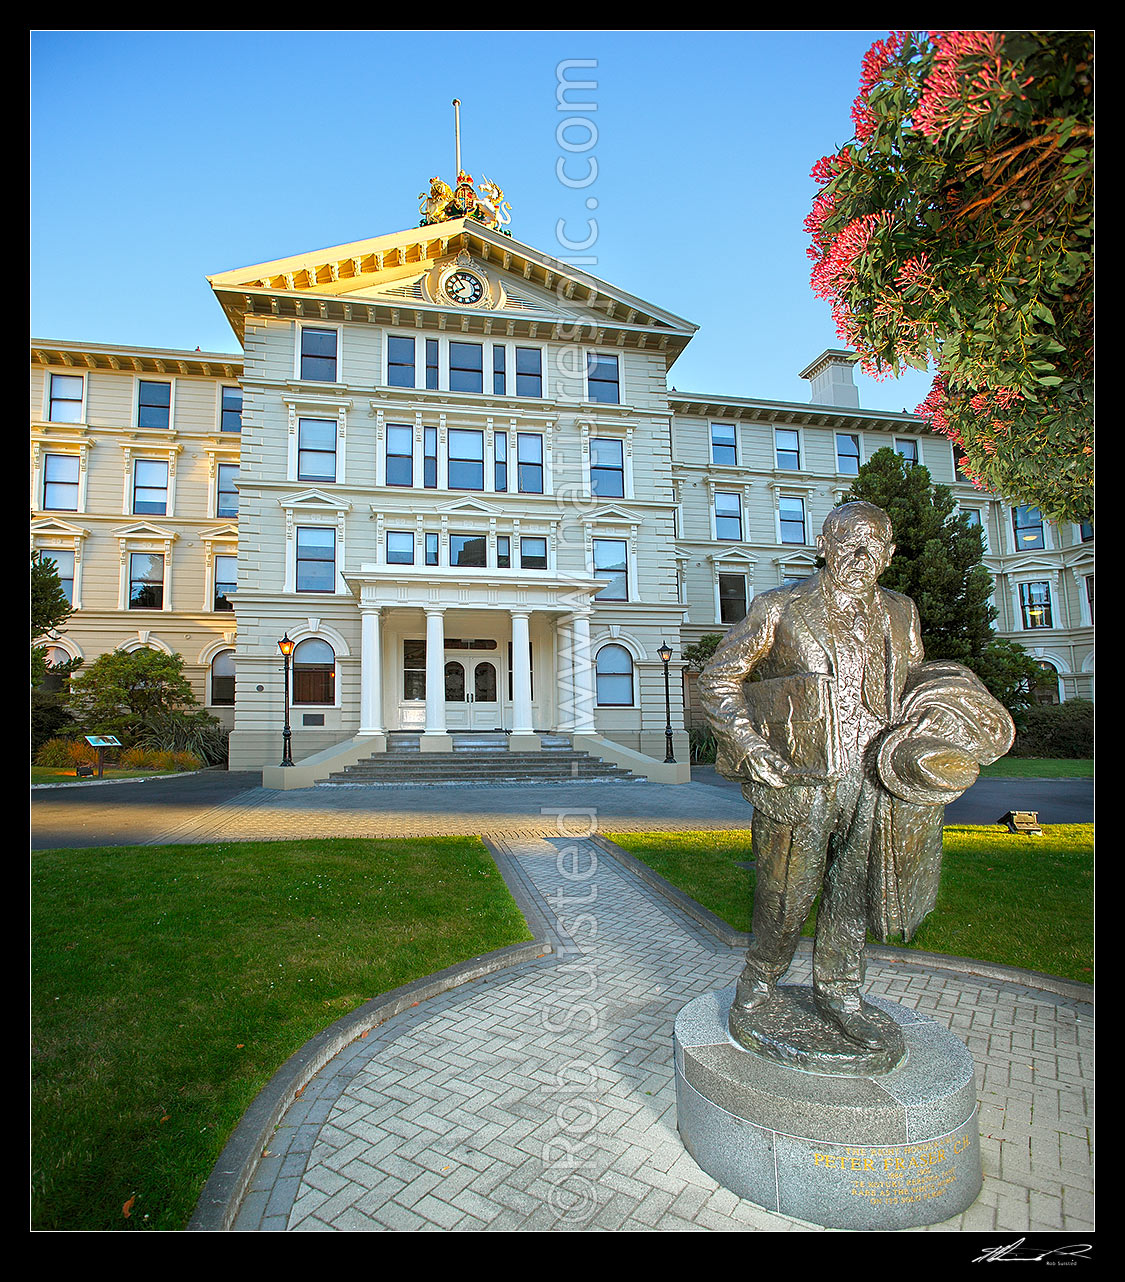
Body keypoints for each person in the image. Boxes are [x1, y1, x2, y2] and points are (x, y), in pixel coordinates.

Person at [699, 501, 923, 1051]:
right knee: (786, 894)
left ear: (890, 555)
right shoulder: (781, 607)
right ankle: (758, 983)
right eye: (847, 540)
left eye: (873, 545)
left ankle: (841, 991)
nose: (859, 554)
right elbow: (718, 679)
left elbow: (916, 684)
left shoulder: (902, 612)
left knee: (853, 890)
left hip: (875, 775)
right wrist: (750, 747)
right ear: (823, 544)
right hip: (800, 778)